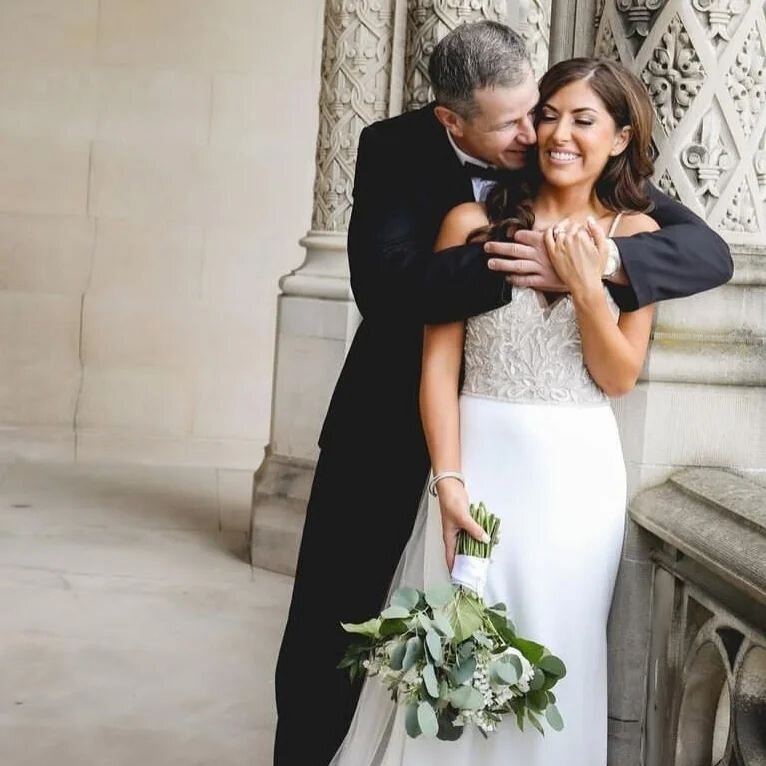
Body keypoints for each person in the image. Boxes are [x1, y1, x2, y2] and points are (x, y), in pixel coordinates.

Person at [273, 22, 732, 766]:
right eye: (523, 119)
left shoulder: (607, 191)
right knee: (334, 635)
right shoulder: (399, 152)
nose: (540, 132)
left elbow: (704, 256)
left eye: (552, 109)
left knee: (551, 640)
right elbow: (388, 289)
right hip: (395, 433)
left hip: (566, 467)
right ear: (452, 121)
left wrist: (596, 269)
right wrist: (519, 258)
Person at [330, 54, 664, 766]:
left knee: (556, 651)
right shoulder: (470, 220)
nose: (558, 134)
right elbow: (439, 368)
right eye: (548, 115)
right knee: (452, 656)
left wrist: (583, 285)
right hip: (475, 467)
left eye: (583, 119)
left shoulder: (637, 239)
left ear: (621, 137)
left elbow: (618, 376)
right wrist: (447, 483)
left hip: (577, 483)